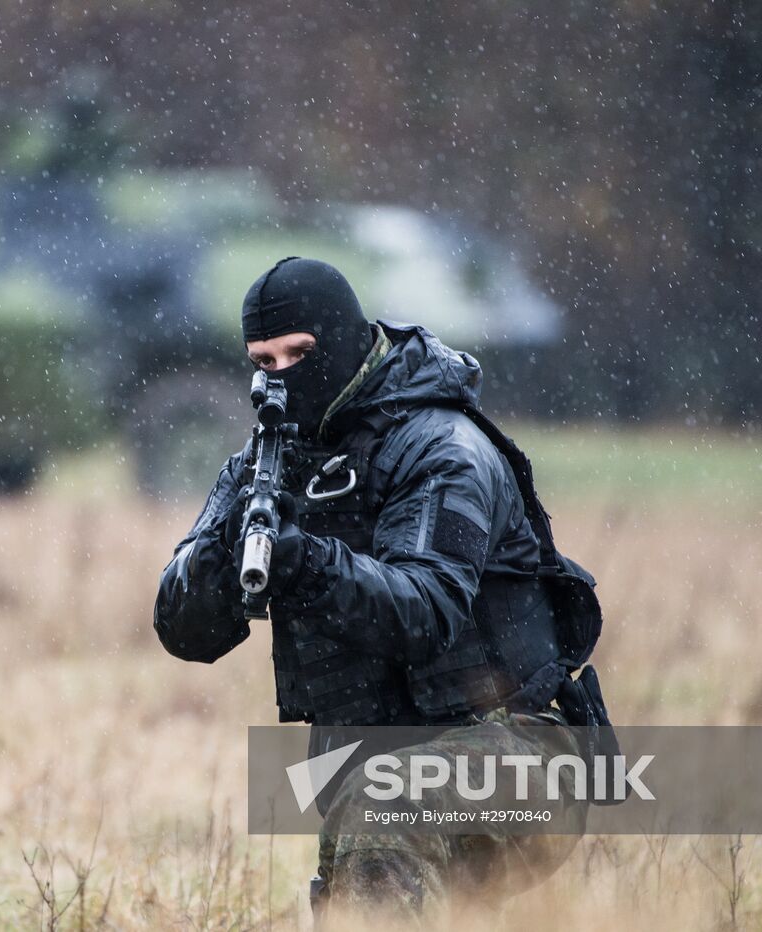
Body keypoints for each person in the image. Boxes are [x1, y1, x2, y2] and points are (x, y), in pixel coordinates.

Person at [152, 257, 606, 924]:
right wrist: (221, 554)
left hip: (523, 750)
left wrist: (304, 562)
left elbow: (424, 611)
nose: (281, 378)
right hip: (378, 762)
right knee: (351, 891)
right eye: (264, 362)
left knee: (385, 813)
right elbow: (182, 630)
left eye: (299, 354)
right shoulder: (262, 461)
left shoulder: (442, 449)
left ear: (343, 341)